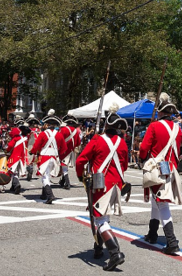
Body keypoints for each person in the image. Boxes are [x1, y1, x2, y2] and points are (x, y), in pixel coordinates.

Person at [76, 111, 129, 271]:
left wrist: (80, 176)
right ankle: (99, 248)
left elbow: (80, 160)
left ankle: (115, 253)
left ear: (106, 125)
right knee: (104, 217)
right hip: (117, 184)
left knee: (99, 220)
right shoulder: (122, 142)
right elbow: (125, 165)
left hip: (101, 184)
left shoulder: (97, 140)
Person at [139, 93, 182, 255]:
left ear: (161, 113)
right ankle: (152, 234)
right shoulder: (178, 128)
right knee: (155, 200)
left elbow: (144, 148)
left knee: (162, 202)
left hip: (158, 168)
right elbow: (180, 149)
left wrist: (143, 159)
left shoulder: (154, 126)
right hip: (171, 167)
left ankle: (171, 241)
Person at [30, 112, 66, 204]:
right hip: (54, 157)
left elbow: (36, 146)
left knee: (44, 176)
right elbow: (64, 148)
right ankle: (44, 194)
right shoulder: (59, 134)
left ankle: (50, 195)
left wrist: (32, 152)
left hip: (44, 157)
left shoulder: (42, 134)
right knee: (47, 175)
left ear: (47, 125)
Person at [59, 115, 83, 190]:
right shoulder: (76, 131)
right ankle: (63, 181)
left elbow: (59, 140)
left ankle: (67, 183)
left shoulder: (63, 129)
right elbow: (78, 142)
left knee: (63, 166)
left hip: (63, 150)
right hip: (71, 151)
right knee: (65, 166)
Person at [5, 125, 29, 195]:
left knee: (13, 172)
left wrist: (7, 151)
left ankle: (16, 184)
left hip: (15, 157)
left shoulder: (16, 138)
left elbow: (9, 146)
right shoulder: (26, 138)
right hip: (22, 158)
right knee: (17, 171)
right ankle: (13, 187)